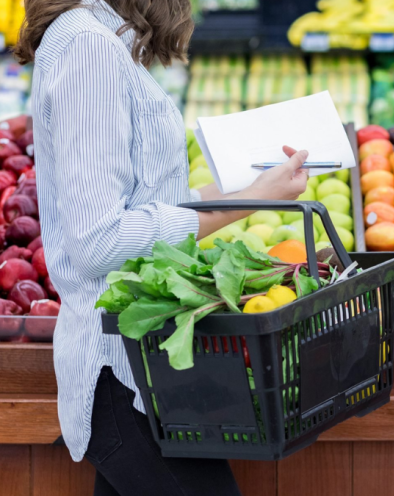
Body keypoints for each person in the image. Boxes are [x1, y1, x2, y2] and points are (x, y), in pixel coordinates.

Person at [15, 1, 309, 494]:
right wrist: (243, 207)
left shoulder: (100, 41)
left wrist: (256, 189)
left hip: (147, 368)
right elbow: (99, 241)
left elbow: (146, 206)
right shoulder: (89, 47)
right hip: (121, 371)